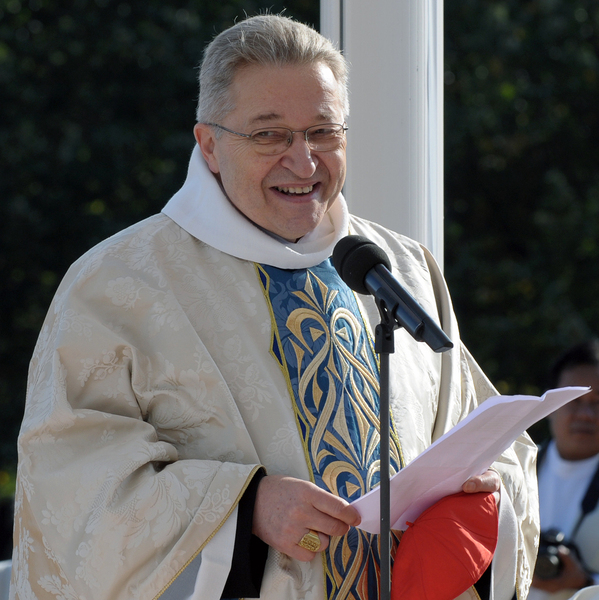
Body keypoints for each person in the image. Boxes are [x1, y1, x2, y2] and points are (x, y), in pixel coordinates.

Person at [10, 14, 539, 600]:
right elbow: (70, 490)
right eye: (270, 135)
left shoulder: (400, 268)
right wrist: (245, 510)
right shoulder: (118, 284)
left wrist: (481, 498)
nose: (304, 162)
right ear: (209, 145)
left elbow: (498, 443)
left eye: (323, 132)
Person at [529, 340, 599, 600]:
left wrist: (585, 582)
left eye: (598, 402)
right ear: (549, 404)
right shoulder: (510, 471)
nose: (586, 414)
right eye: (574, 399)